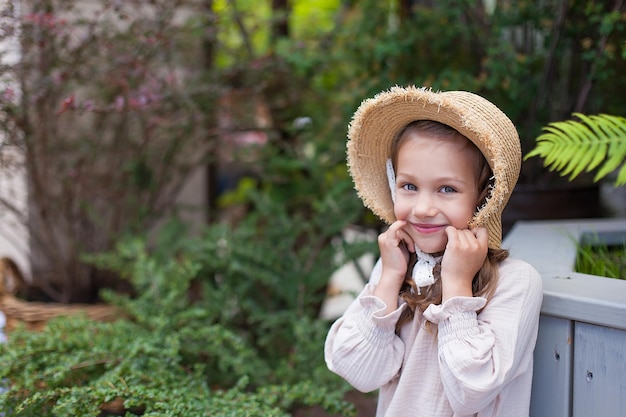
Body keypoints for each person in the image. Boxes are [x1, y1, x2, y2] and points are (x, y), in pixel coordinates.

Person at [324, 86, 543, 417]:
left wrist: (456, 284)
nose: (423, 208)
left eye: (447, 189)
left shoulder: (515, 282)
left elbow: (472, 391)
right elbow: (360, 372)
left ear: (486, 196)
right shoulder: (396, 270)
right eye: (409, 186)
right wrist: (390, 279)